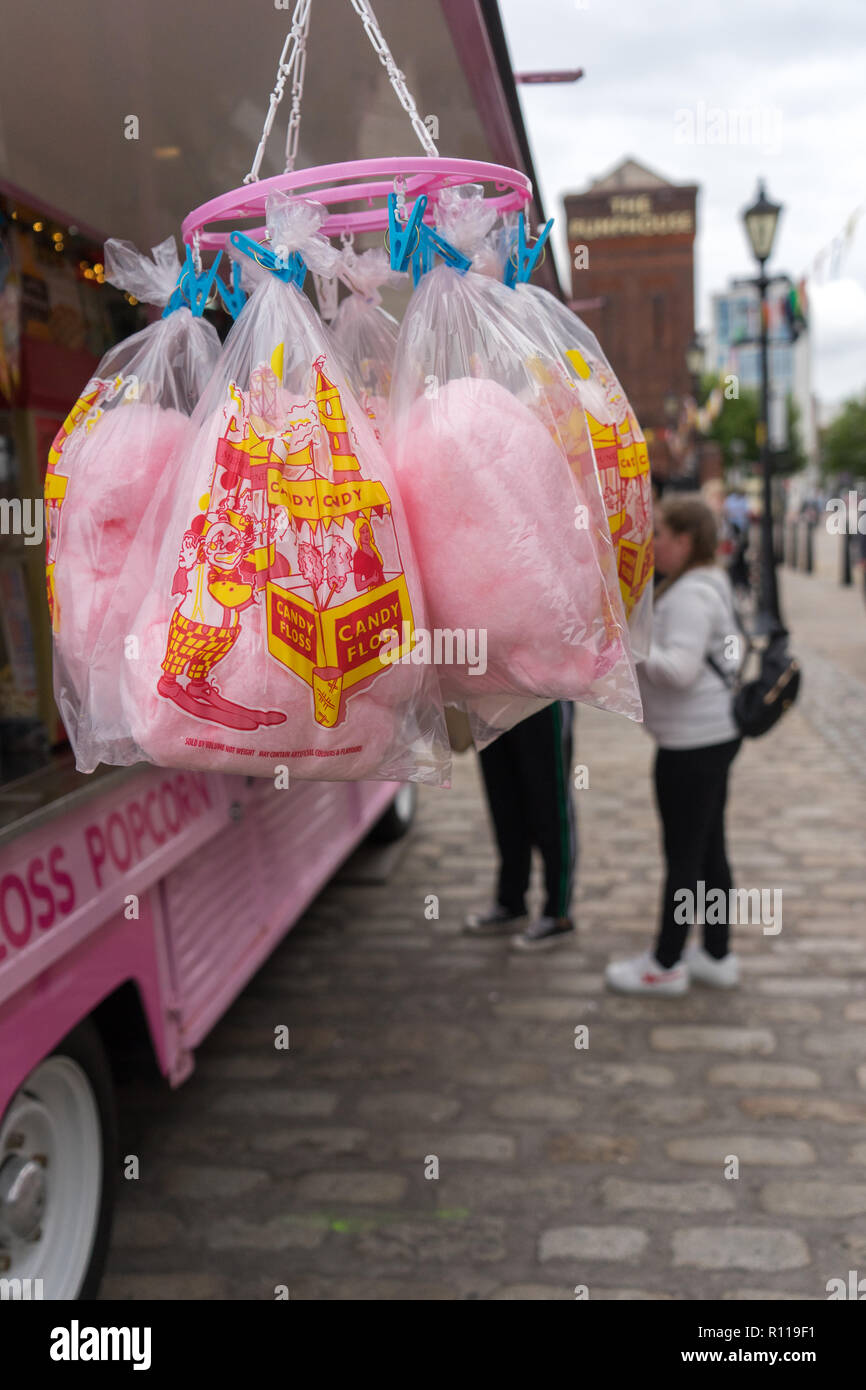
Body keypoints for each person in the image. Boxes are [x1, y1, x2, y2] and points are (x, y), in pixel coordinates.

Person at [606, 496, 742, 995]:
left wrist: (629, 642)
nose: (651, 541)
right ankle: (716, 953)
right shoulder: (706, 582)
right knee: (708, 851)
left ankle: (664, 964)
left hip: (692, 745)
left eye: (658, 533)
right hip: (708, 738)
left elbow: (680, 671)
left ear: (684, 542)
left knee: (685, 855)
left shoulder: (689, 595)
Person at [464, 700, 577, 951]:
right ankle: (511, 902)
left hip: (542, 697)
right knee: (503, 802)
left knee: (550, 803)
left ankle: (558, 913)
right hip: (490, 697)